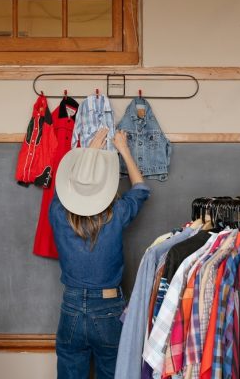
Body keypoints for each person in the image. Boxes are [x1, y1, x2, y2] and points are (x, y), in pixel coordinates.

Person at [49, 127, 151, 379]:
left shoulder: (58, 213)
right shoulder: (117, 213)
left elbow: (65, 189)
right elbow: (140, 189)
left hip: (71, 305)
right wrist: (123, 150)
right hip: (108, 307)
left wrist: (90, 152)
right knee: (112, 372)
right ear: (106, 188)